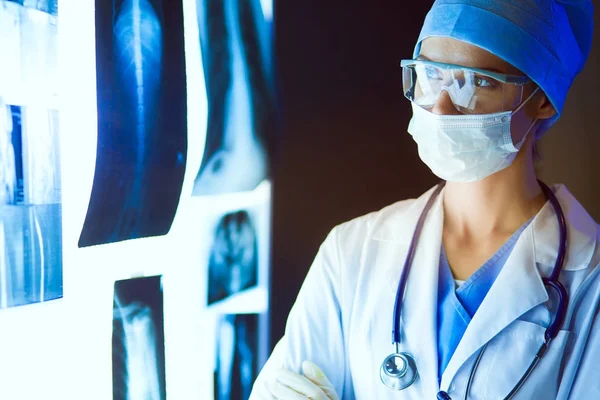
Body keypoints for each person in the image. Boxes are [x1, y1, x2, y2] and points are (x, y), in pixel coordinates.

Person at [250, 0, 598, 399]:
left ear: (542, 99)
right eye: (431, 75)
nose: (441, 106)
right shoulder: (351, 253)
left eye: (477, 82)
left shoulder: (589, 282)